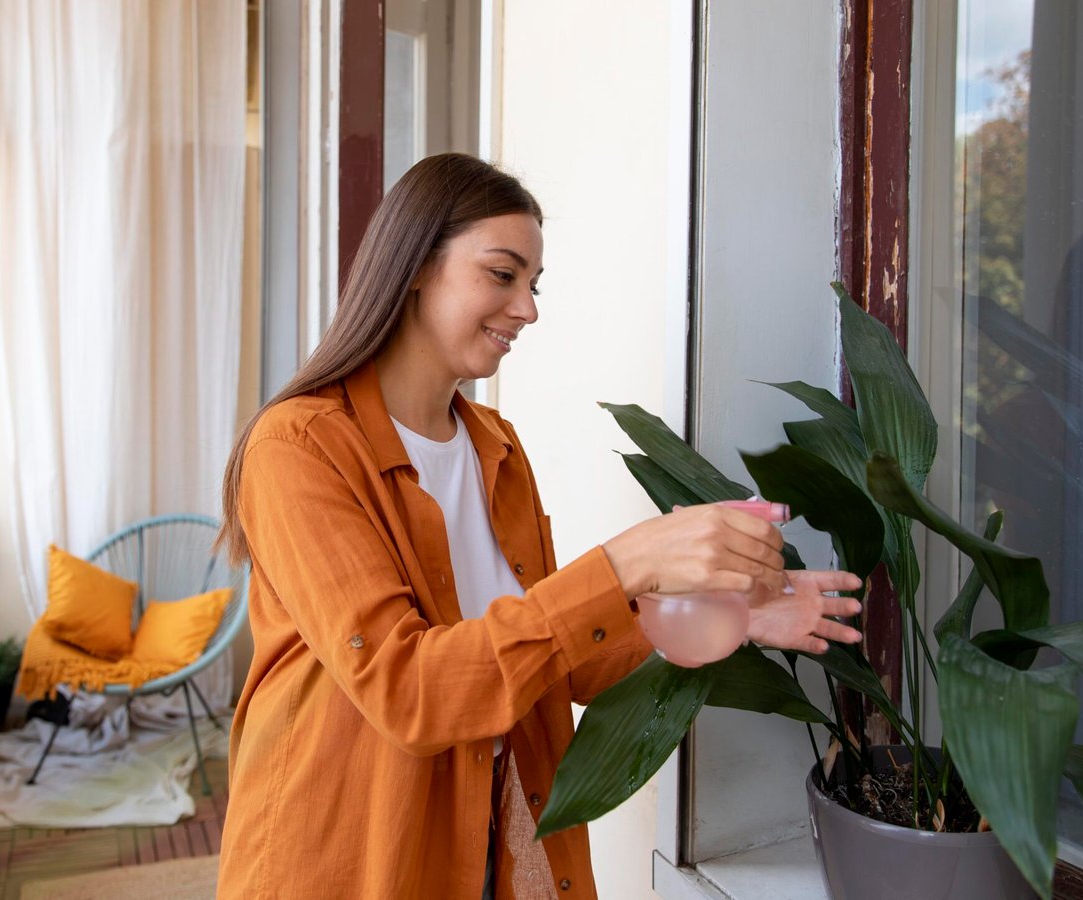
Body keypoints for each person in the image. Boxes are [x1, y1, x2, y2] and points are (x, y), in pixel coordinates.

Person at [214, 153, 863, 899]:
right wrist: (625, 562)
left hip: (492, 837)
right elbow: (409, 690)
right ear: (416, 265)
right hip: (352, 854)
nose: (528, 309)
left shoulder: (496, 446)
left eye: (534, 284)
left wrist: (736, 610)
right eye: (503, 274)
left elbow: (562, 656)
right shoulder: (300, 448)